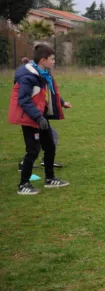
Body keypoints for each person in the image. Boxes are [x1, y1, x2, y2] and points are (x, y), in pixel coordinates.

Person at [9, 44, 71, 194]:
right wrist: (38, 117)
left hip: (40, 116)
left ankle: (50, 179)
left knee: (49, 146)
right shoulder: (28, 77)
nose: (54, 61)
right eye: (52, 59)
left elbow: (49, 92)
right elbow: (23, 100)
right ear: (43, 60)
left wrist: (61, 103)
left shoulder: (43, 74)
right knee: (33, 151)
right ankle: (23, 184)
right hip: (30, 118)